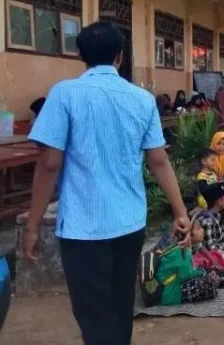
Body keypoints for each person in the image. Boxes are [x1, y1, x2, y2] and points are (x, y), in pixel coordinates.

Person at [21, 21, 190, 345]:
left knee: (93, 313)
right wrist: (180, 211)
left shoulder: (64, 94)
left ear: (80, 54)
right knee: (120, 304)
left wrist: (32, 226)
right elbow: (158, 160)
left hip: (83, 227)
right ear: (120, 57)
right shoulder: (142, 99)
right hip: (129, 222)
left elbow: (49, 164)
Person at [154, 218, 219, 306]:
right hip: (169, 293)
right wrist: (205, 275)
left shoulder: (183, 248)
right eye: (199, 228)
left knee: (206, 277)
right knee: (206, 283)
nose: (203, 230)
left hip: (169, 287)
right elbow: (186, 276)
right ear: (190, 235)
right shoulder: (182, 251)